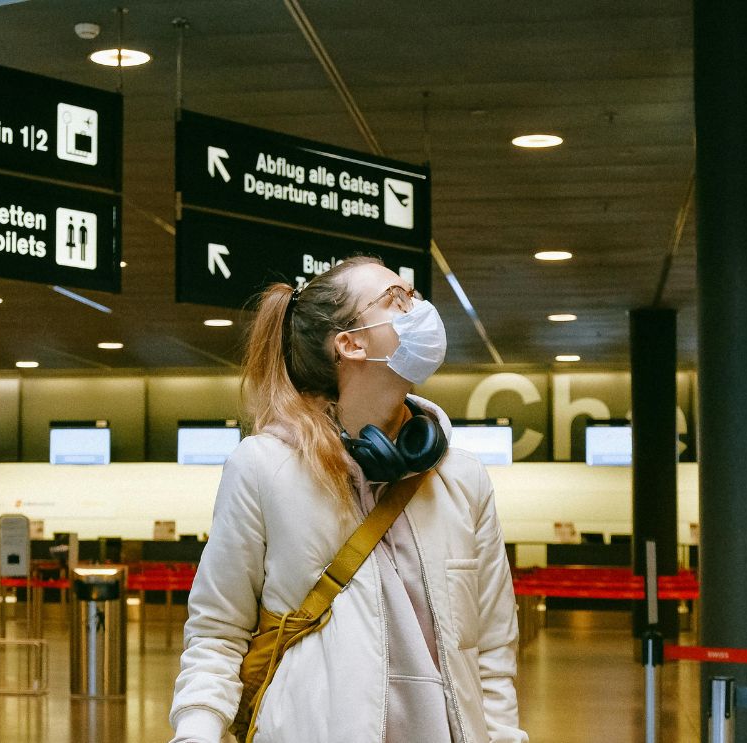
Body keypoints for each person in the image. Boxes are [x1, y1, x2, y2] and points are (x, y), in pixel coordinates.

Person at [170, 256, 528, 743]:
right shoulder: (262, 468)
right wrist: (196, 732)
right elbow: (217, 632)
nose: (419, 309)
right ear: (351, 343)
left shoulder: (463, 479)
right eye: (397, 300)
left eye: (416, 297)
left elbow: (492, 648)